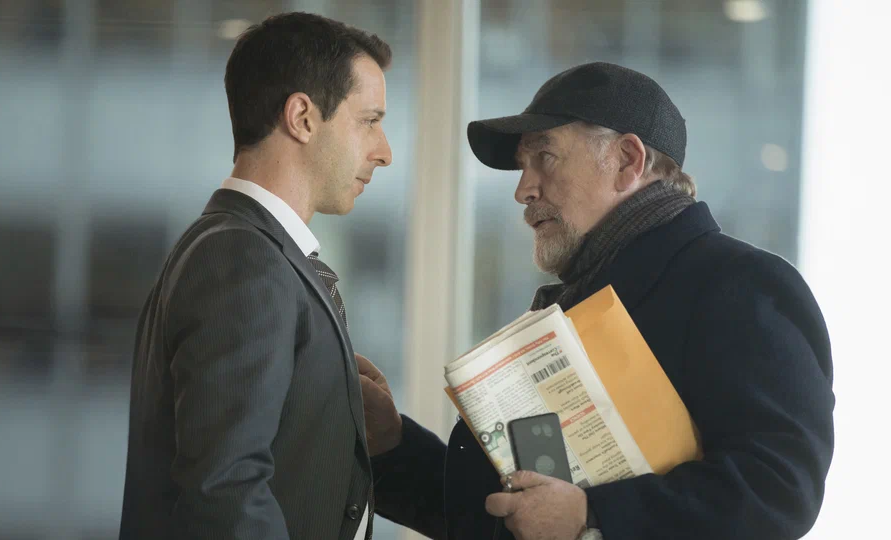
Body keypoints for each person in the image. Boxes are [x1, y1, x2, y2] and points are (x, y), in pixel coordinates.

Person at [359, 62, 834, 540]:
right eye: (524, 166)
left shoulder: (741, 284)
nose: (524, 190)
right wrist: (390, 443)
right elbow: (511, 514)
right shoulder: (582, 298)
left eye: (545, 156)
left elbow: (779, 489)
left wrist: (592, 513)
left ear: (627, 160)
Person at [118, 12, 392, 540]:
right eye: (369, 121)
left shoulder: (246, 248)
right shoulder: (242, 257)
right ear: (302, 117)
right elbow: (226, 493)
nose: (384, 151)